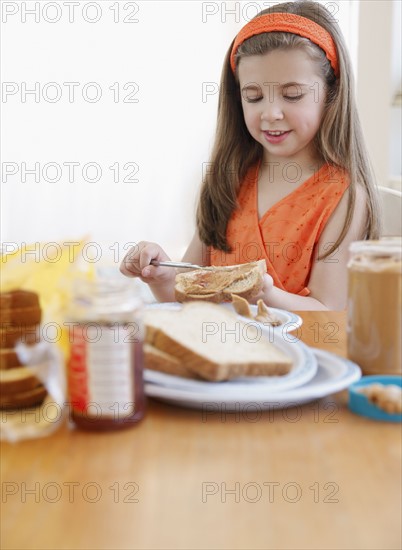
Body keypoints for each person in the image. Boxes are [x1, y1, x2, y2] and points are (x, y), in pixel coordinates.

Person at [120, 0, 380, 310]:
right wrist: (162, 277)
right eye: (253, 96)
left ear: (331, 94)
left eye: (292, 95)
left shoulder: (345, 197)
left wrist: (264, 295)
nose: (270, 113)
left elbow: (329, 317)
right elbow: (188, 298)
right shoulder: (230, 178)